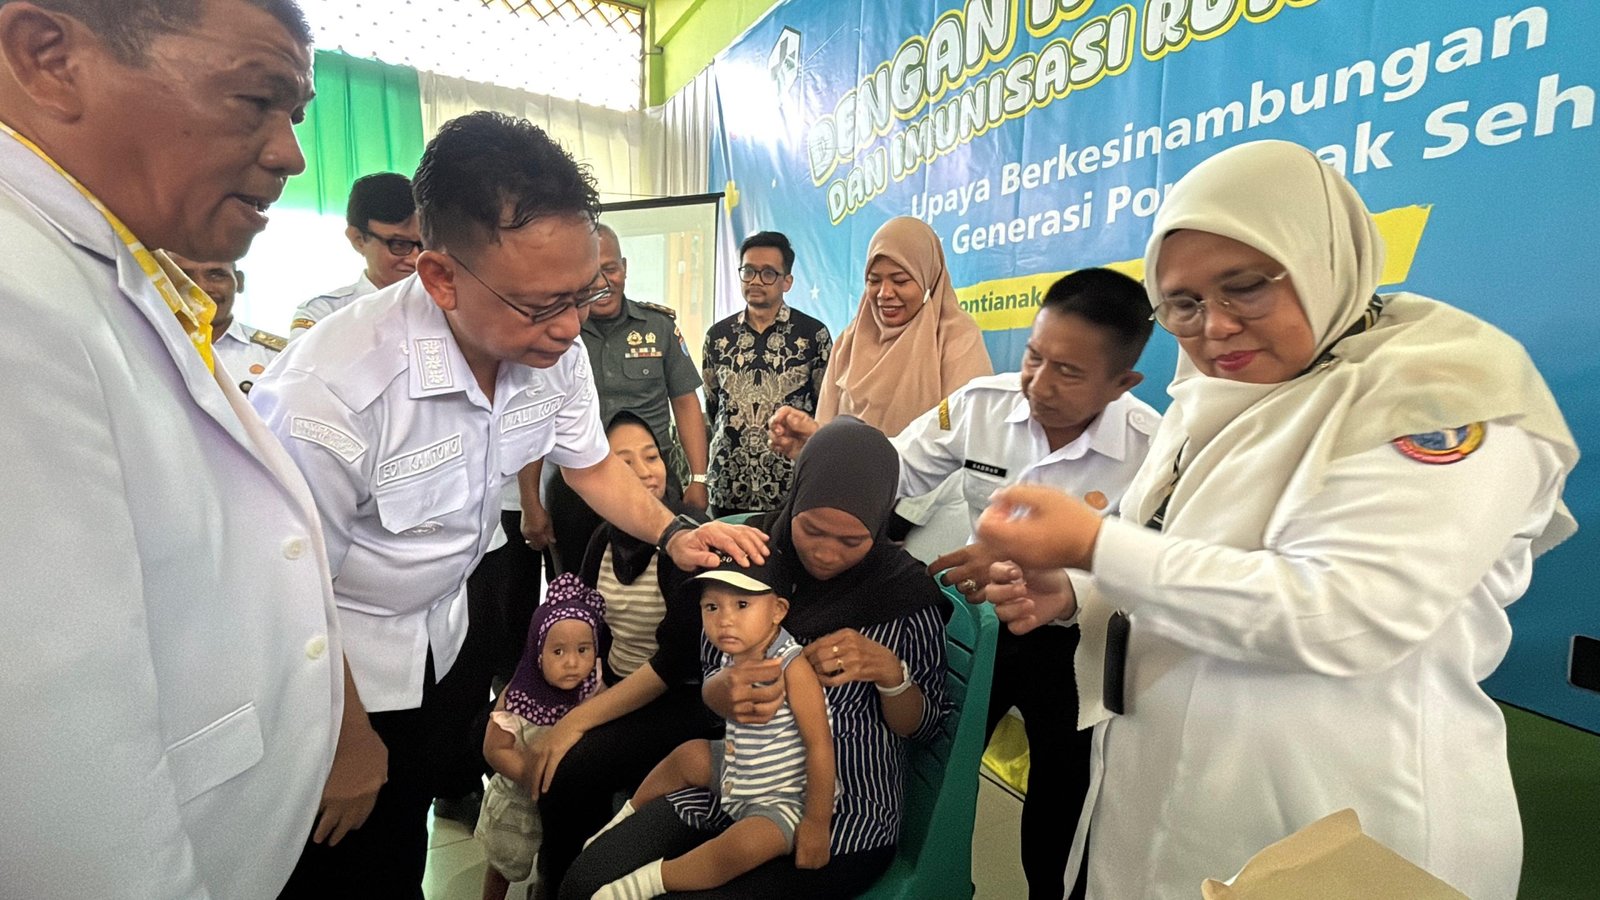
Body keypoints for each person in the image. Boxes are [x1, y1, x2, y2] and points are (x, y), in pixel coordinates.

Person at [974, 140, 1578, 900]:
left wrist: (1095, 544)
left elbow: (1346, 613)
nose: (1215, 327)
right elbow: (1170, 548)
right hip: (1165, 799)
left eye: (1246, 287)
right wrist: (1077, 592)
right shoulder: (1210, 397)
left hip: (1345, 822)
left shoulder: (1442, 394)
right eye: (1184, 304)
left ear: (1321, 256)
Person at [251, 111, 765, 898]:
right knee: (343, 857)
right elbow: (286, 591)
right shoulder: (334, 391)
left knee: (412, 811)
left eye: (583, 293)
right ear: (441, 277)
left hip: (442, 635)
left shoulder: (547, 348)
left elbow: (590, 463)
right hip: (336, 665)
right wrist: (345, 738)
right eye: (538, 305)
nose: (568, 327)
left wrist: (674, 531)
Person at [0, 1, 345, 897]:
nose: (289, 154)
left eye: (296, 115)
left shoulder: (102, 262)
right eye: (254, 99)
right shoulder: (15, 298)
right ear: (48, 58)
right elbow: (54, 764)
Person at [564, 417, 953, 898]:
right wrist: (723, 693)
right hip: (744, 776)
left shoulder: (902, 595)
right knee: (584, 881)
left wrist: (890, 674)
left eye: (852, 541)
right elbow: (708, 674)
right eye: (812, 530)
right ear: (795, 501)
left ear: (879, 522)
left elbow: (925, 725)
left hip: (843, 816)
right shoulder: (757, 557)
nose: (828, 553)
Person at [892, 268, 1157, 900]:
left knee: (1063, 799)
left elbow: (1152, 567)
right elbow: (897, 470)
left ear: (1122, 382)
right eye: (1034, 358)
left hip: (1073, 648)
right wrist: (834, 454)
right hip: (981, 629)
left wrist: (1062, 581)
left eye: (1068, 372)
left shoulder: (1149, 447)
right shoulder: (983, 404)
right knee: (937, 770)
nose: (1039, 384)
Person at [529, 412, 723, 894]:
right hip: (618, 687)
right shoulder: (603, 539)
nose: (644, 471)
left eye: (652, 456)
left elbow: (671, 667)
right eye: (623, 461)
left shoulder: (687, 545)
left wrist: (579, 719)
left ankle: (571, 883)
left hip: (680, 702)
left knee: (572, 760)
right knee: (531, 743)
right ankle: (564, 870)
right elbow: (591, 632)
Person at [590, 555, 835, 898]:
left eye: (742, 604)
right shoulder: (731, 654)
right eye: (712, 607)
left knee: (742, 848)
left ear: (778, 610)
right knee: (689, 755)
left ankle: (649, 881)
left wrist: (817, 822)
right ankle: (624, 819)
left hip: (784, 798)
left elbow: (820, 744)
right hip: (738, 770)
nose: (725, 621)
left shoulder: (792, 666)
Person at [526, 222, 710, 576]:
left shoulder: (658, 326)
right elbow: (537, 419)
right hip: (577, 488)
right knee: (576, 584)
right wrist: (531, 500)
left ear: (624, 267)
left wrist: (698, 480)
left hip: (651, 483)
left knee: (659, 583)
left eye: (609, 269)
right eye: (590, 274)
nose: (600, 283)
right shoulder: (559, 334)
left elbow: (686, 404)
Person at [771, 215, 992, 449]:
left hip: (930, 486)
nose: (884, 293)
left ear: (928, 279)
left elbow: (968, 439)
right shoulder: (849, 342)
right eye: (874, 280)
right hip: (850, 483)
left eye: (900, 280)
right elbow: (826, 431)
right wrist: (810, 442)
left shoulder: (956, 339)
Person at [475, 573, 609, 900]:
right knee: (504, 863)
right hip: (518, 803)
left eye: (583, 649)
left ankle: (547, 886)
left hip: (567, 802)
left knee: (561, 857)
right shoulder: (518, 697)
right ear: (537, 652)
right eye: (558, 652)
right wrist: (534, 776)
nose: (573, 663)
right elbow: (494, 749)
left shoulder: (593, 688)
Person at [701, 230, 832, 517]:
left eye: (768, 273)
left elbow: (824, 407)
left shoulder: (813, 335)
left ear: (787, 281)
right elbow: (714, 407)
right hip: (728, 483)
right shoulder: (718, 336)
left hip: (790, 486)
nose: (756, 280)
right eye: (748, 271)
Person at [289, 171, 420, 337]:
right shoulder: (323, 314)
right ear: (358, 239)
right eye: (399, 245)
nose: (416, 259)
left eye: (425, 244)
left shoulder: (447, 307)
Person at [168, 251, 286, 393]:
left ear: (239, 281)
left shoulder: (279, 357)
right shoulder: (149, 349)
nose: (201, 288)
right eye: (183, 277)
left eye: (216, 275)